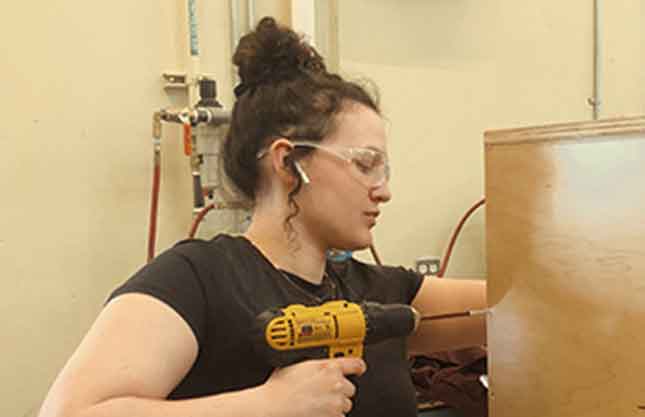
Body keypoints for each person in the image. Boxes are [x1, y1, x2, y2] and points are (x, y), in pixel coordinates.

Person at [38, 17, 486, 417]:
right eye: (365, 164)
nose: (384, 190)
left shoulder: (378, 296)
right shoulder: (200, 281)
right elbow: (68, 412)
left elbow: (516, 303)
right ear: (289, 163)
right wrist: (265, 405)